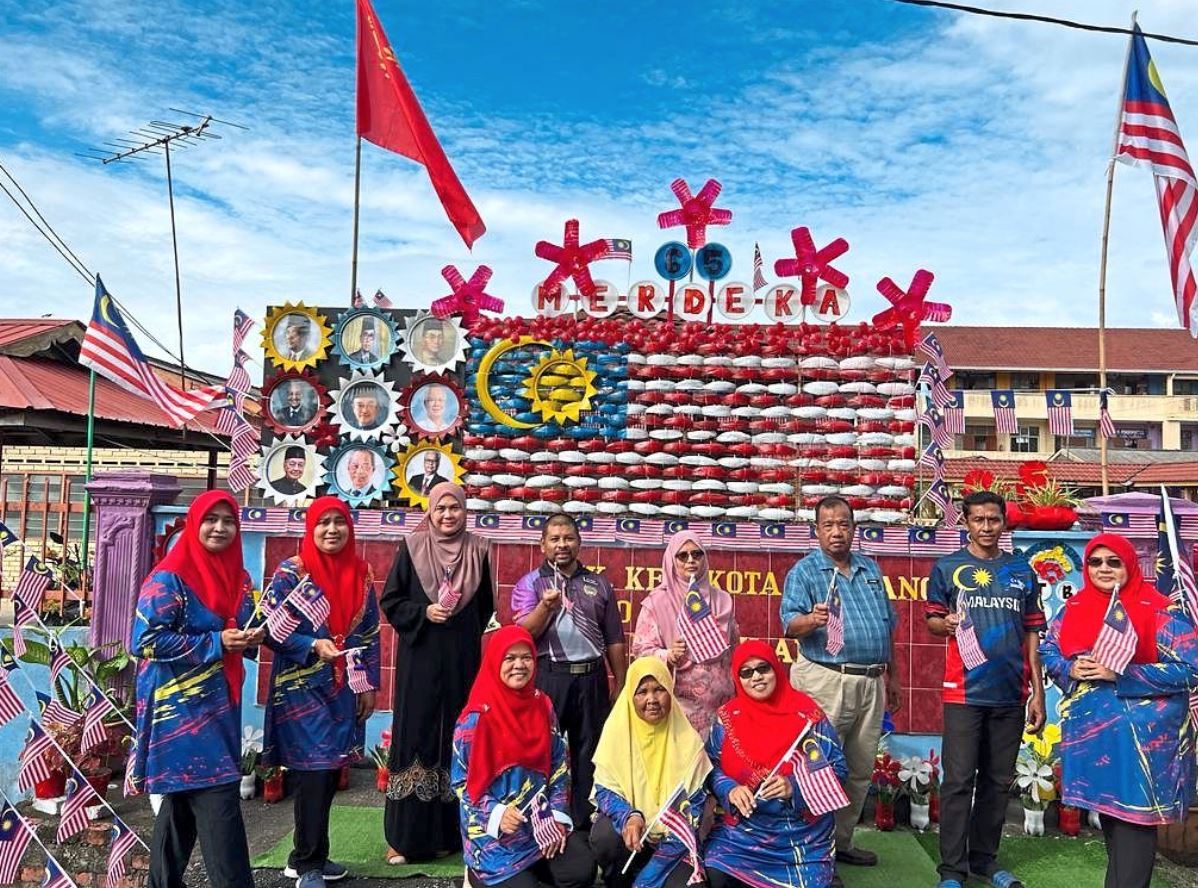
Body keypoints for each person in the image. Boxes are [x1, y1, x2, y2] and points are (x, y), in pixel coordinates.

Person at [1041, 532, 1198, 888]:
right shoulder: (1076, 608)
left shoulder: (1159, 610)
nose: (1104, 569)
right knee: (1113, 825)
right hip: (1094, 739)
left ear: (1129, 565)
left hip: (1144, 745)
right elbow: (1049, 650)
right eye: (1096, 562)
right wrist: (1069, 668)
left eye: (1114, 561)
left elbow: (1190, 668)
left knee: (1134, 827)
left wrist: (1122, 673)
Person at [129, 490, 263, 888]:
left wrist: (254, 635)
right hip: (178, 711)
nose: (220, 528)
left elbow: (243, 625)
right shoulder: (169, 577)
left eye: (228, 521)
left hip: (219, 706)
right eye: (211, 519)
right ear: (193, 523)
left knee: (181, 804)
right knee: (218, 798)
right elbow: (145, 640)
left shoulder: (239, 578)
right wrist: (216, 642)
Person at [925, 490, 1046, 888]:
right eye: (978, 520)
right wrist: (945, 625)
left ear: (1004, 522)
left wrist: (1038, 692)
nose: (987, 527)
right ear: (966, 522)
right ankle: (952, 870)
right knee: (959, 781)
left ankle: (984, 860)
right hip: (963, 692)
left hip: (1010, 694)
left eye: (994, 520)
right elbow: (933, 621)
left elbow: (1032, 633)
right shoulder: (947, 568)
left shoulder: (1022, 571)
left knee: (997, 782)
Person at [262, 497, 381, 888]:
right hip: (300, 688)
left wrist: (367, 687)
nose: (332, 530)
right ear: (310, 529)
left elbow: (368, 635)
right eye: (323, 523)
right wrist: (312, 646)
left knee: (330, 771)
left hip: (343, 688)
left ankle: (306, 855)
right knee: (314, 771)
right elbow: (270, 630)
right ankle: (309, 865)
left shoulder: (361, 574)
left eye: (339, 522)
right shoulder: (291, 574)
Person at [779, 495, 900, 876]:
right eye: (828, 525)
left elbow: (886, 626)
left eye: (844, 524)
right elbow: (788, 625)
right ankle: (809, 851)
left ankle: (839, 844)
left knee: (860, 768)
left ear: (854, 528)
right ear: (816, 531)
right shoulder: (805, 571)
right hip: (825, 679)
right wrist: (811, 620)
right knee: (816, 768)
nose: (837, 532)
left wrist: (891, 676)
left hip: (871, 680)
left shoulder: (870, 570)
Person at [380, 483, 495, 865]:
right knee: (416, 735)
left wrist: (462, 636)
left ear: (465, 511)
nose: (448, 515)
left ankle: (450, 835)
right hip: (421, 658)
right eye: (441, 508)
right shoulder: (412, 547)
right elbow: (392, 601)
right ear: (430, 511)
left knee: (458, 739)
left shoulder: (479, 550)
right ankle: (405, 839)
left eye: (456, 508)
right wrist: (423, 613)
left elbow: (484, 609)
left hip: (462, 660)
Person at [451, 625, 596, 888]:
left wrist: (557, 816)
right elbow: (461, 783)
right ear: (495, 661)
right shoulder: (475, 719)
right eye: (510, 658)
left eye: (526, 657)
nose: (519, 665)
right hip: (495, 833)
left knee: (581, 869)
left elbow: (560, 767)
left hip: (541, 825)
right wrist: (496, 813)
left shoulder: (543, 705)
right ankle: (474, 875)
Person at [512, 514, 628, 827]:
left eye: (568, 538)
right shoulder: (530, 584)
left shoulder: (599, 584)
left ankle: (582, 824)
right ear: (543, 544)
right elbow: (523, 635)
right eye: (555, 539)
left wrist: (620, 682)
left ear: (579, 542)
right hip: (549, 677)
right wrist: (545, 607)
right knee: (543, 751)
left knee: (589, 754)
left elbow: (615, 638)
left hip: (592, 679)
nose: (562, 544)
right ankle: (540, 819)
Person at [704, 641, 848, 888]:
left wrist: (794, 786)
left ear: (777, 670)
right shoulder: (727, 717)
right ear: (737, 679)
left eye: (763, 668)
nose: (756, 677)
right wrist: (729, 789)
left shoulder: (808, 716)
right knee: (716, 873)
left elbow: (838, 770)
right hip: (744, 833)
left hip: (802, 837)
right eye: (746, 672)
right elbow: (711, 768)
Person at [589, 657, 710, 888]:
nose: (651, 699)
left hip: (675, 842)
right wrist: (630, 816)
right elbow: (605, 791)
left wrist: (648, 879)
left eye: (659, 690)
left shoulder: (688, 741)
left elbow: (693, 810)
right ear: (630, 697)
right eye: (642, 691)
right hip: (631, 835)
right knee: (605, 835)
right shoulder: (617, 732)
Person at [631, 531, 737, 736]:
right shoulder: (657, 603)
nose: (691, 560)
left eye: (697, 554)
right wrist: (668, 655)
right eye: (683, 556)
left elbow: (734, 649)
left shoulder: (722, 600)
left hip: (722, 706)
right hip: (680, 706)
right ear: (672, 561)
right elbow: (641, 651)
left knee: (720, 764)